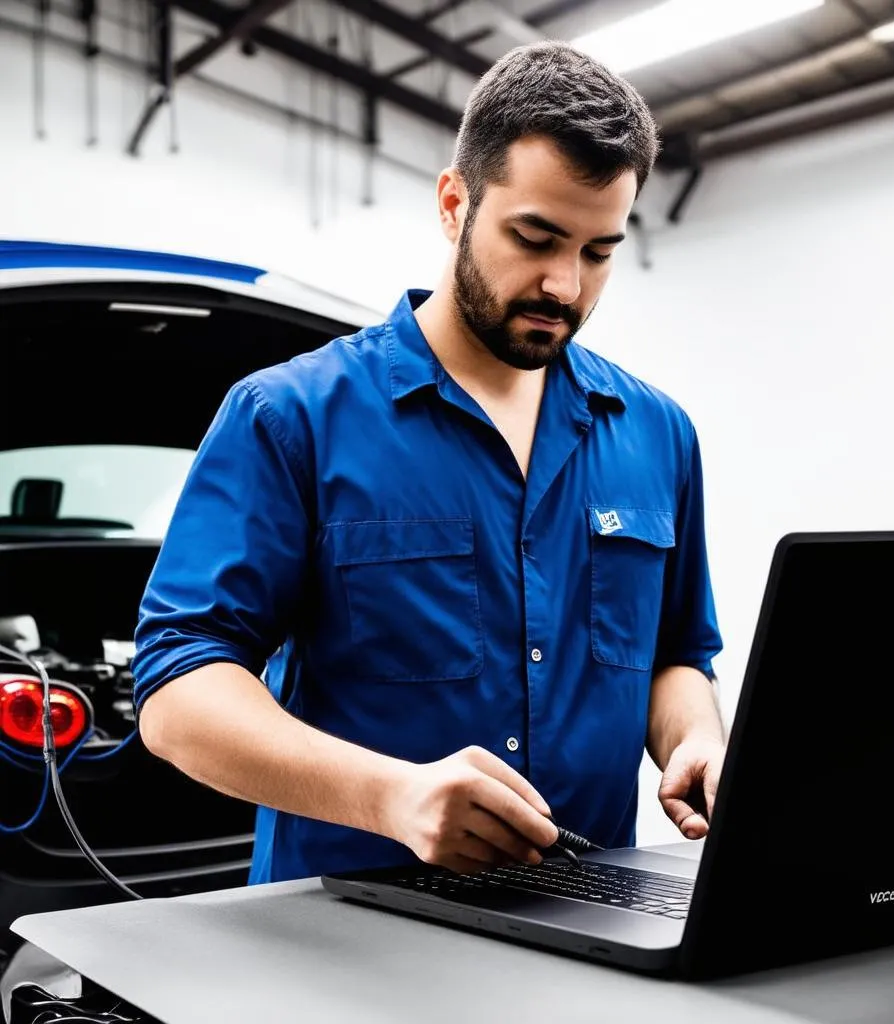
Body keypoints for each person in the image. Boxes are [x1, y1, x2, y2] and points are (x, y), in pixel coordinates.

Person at [131, 40, 726, 886]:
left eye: (598, 252)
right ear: (454, 204)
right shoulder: (291, 416)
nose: (565, 284)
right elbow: (178, 692)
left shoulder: (658, 433)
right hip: (342, 947)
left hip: (592, 930)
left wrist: (694, 738)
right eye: (535, 237)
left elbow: (675, 656)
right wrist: (391, 798)